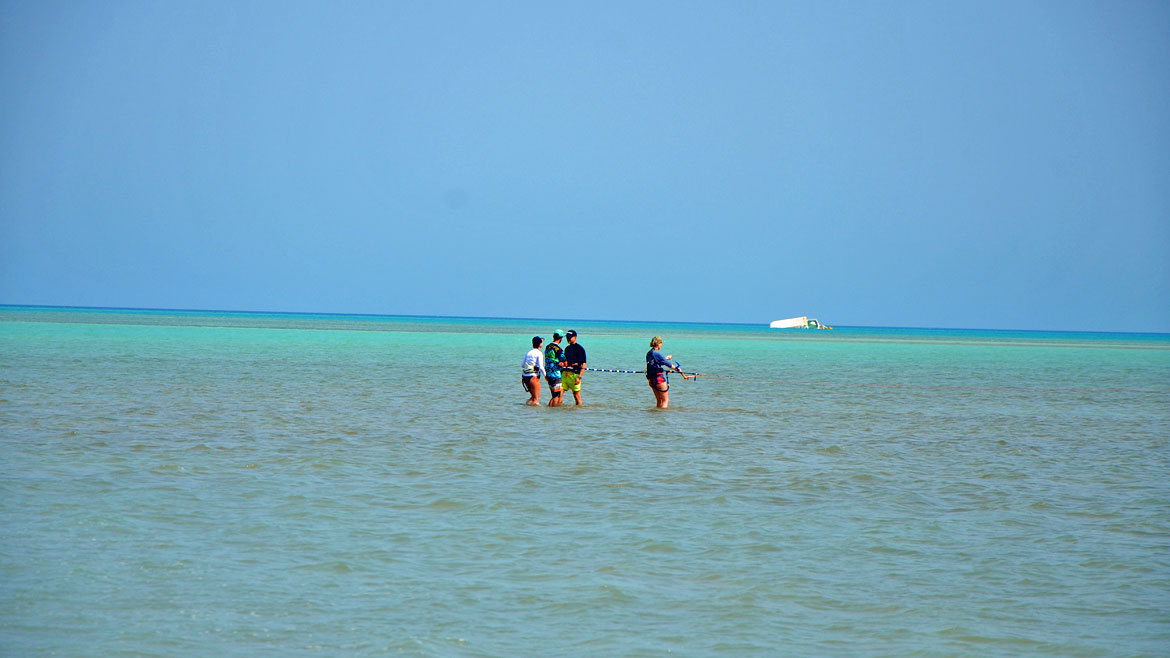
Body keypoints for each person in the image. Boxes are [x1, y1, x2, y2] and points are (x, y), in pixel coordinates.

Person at [646, 335, 686, 409]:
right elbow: (668, 364)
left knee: (659, 400)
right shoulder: (657, 353)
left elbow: (656, 362)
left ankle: (657, 415)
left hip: (651, 379)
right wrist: (678, 369)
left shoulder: (649, 353)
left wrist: (665, 359)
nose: (661, 345)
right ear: (658, 344)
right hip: (658, 379)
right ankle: (662, 417)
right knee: (665, 400)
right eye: (661, 343)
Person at [561, 330, 587, 405]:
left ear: (575, 337)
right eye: (567, 338)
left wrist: (579, 377)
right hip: (565, 374)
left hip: (575, 375)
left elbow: (584, 364)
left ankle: (579, 413)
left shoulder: (580, 349)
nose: (568, 339)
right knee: (559, 394)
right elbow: (565, 361)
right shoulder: (567, 348)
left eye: (570, 338)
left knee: (576, 395)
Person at [521, 336, 545, 405]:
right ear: (540, 344)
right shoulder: (539, 353)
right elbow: (541, 367)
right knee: (536, 399)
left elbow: (522, 365)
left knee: (532, 397)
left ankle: (527, 410)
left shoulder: (528, 352)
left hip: (525, 376)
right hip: (533, 377)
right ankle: (535, 414)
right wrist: (546, 376)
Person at [544, 330, 566, 407]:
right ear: (561, 338)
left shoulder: (547, 347)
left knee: (553, 395)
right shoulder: (559, 350)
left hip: (548, 374)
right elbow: (565, 362)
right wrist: (562, 364)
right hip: (556, 375)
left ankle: (549, 410)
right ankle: (552, 412)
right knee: (557, 396)